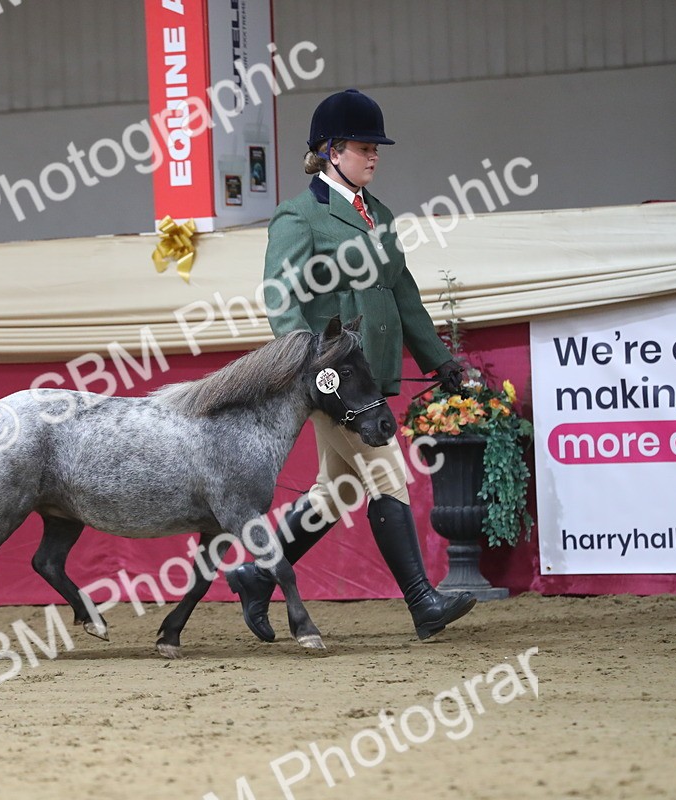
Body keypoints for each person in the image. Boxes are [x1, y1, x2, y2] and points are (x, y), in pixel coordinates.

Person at [227, 89, 476, 643]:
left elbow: (402, 293)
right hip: (335, 378)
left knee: (335, 489)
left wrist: (438, 359)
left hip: (370, 370)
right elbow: (278, 292)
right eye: (366, 147)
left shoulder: (379, 213)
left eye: (376, 149)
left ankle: (254, 574)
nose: (375, 156)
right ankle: (422, 602)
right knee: (387, 474)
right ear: (332, 150)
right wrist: (306, 362)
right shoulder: (301, 215)